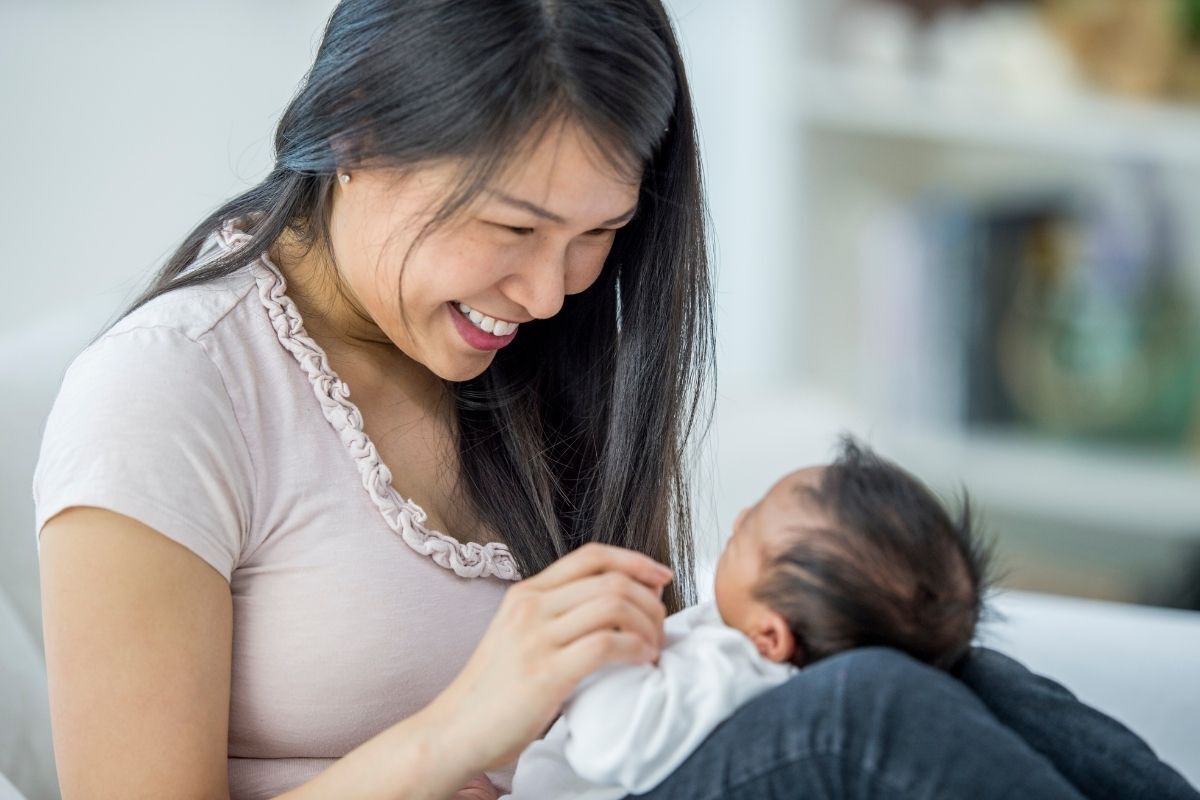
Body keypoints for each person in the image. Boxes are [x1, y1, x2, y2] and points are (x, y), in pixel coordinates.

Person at [30, 2, 1198, 800]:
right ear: (358, 135)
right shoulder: (170, 393)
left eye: (598, 235)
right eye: (514, 227)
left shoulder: (531, 358)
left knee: (937, 655)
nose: (546, 291)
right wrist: (462, 725)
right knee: (872, 709)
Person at [503, 436, 1198, 800]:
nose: (736, 519)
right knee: (896, 684)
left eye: (748, 536)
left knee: (963, 670)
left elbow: (613, 743)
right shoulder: (760, 650)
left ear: (772, 637)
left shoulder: (720, 665)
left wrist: (596, 663)